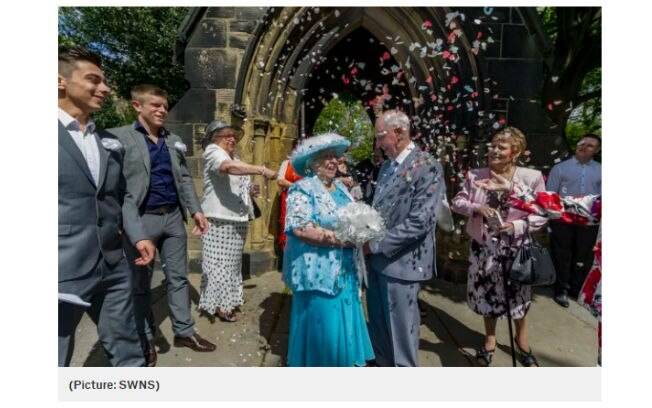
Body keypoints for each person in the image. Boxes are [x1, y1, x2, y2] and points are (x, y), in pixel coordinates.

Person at [58, 46, 155, 366]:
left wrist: (138, 235)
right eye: (93, 80)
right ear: (60, 82)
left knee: (127, 348)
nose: (105, 88)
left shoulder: (107, 141)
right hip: (61, 269)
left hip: (113, 266)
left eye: (104, 81)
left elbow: (120, 196)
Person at [107, 84, 215, 366]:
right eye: (155, 105)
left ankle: (184, 331)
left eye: (164, 106)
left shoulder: (173, 140)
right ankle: (144, 337)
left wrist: (196, 211)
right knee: (140, 284)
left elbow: (184, 179)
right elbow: (114, 188)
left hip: (172, 219)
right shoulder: (120, 138)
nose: (162, 110)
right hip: (142, 220)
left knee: (178, 278)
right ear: (137, 106)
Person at [451, 126, 547, 367]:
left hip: (516, 250)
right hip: (483, 248)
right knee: (486, 296)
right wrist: (477, 208)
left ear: (515, 152)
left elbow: (542, 213)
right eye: (492, 146)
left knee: (519, 299)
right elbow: (457, 202)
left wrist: (516, 227)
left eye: (500, 147)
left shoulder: (531, 177)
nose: (493, 150)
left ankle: (522, 342)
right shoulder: (475, 174)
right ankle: (490, 340)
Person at [283, 133, 374, 366]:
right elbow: (300, 228)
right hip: (318, 271)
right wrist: (341, 239)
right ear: (313, 163)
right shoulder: (301, 189)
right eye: (327, 157)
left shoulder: (342, 190)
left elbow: (353, 218)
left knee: (342, 319)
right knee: (323, 325)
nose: (334, 161)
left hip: (346, 271)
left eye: (336, 157)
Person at [363, 110, 445, 367]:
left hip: (403, 264)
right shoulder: (387, 166)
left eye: (380, 137)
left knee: (401, 338)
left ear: (398, 132)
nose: (377, 145)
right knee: (379, 332)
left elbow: (421, 221)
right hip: (375, 262)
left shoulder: (428, 165)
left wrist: (374, 244)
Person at [199, 120, 277, 322]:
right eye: (227, 135)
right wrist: (260, 169)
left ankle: (227, 302)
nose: (232, 138)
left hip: (237, 217)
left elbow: (236, 181)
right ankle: (219, 306)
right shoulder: (213, 151)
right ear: (215, 138)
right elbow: (226, 168)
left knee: (232, 265)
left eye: (233, 135)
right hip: (219, 218)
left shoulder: (236, 157)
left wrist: (250, 190)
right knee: (219, 264)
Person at [546, 134, 602, 307]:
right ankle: (561, 289)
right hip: (563, 220)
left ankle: (575, 288)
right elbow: (550, 195)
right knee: (562, 254)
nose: (585, 147)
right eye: (582, 143)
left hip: (589, 221)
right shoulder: (560, 168)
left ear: (597, 150)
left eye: (590, 146)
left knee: (583, 255)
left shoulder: (602, 169)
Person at [276, 156, 302, 252]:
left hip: (304, 199)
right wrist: (296, 186)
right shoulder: (286, 163)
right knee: (287, 225)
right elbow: (280, 180)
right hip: (288, 198)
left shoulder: (308, 164)